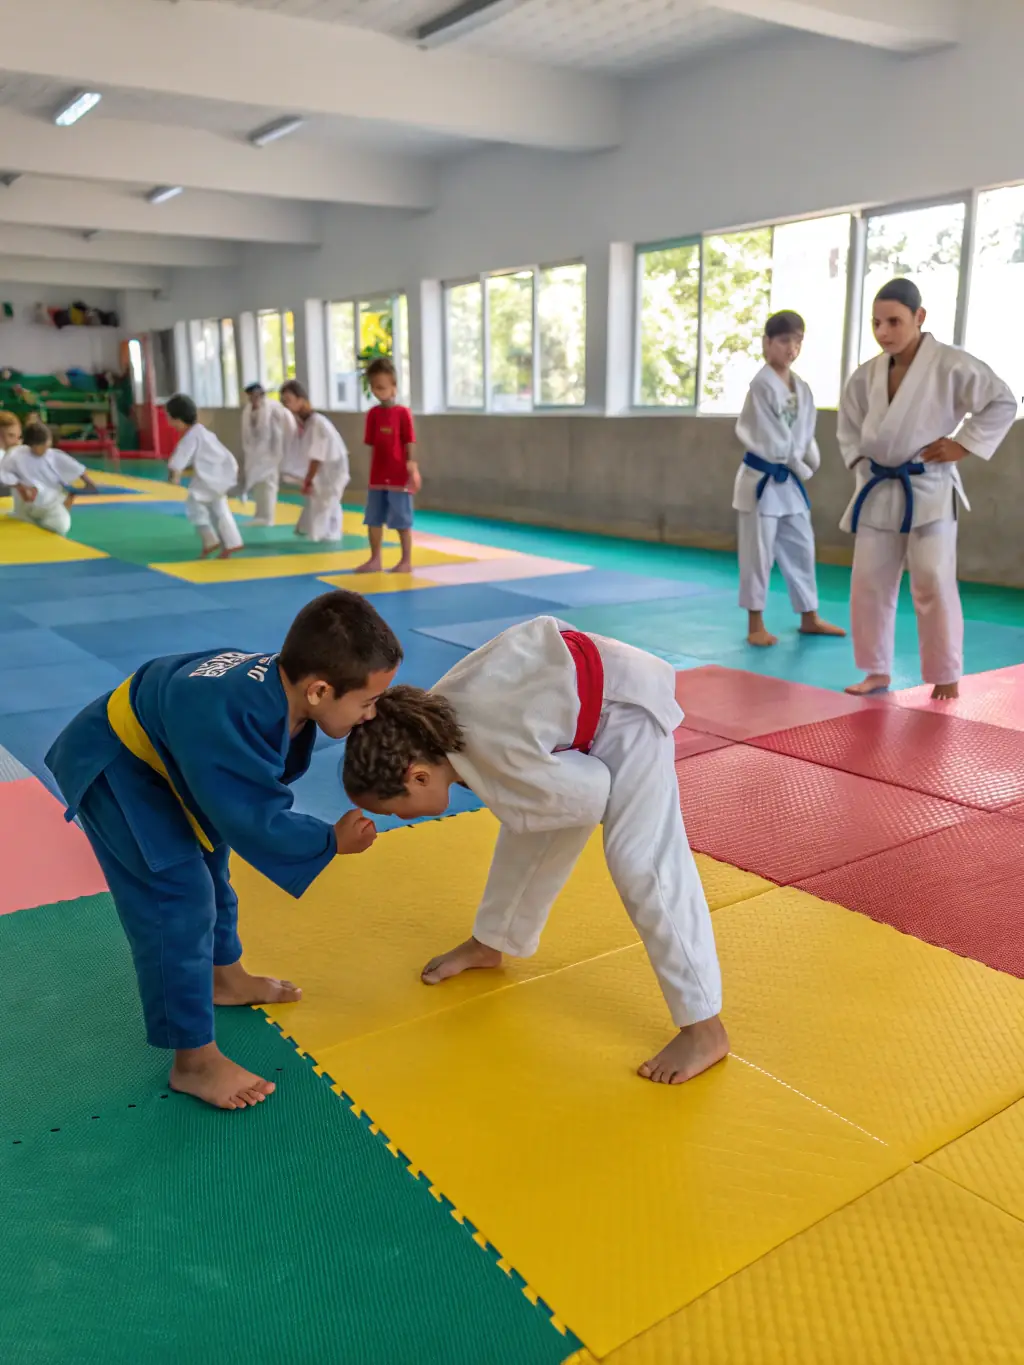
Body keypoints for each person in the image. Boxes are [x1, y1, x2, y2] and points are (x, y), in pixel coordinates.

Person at [45, 591, 400, 1111]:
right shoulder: (234, 712)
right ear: (320, 690)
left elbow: (246, 793)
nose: (371, 715)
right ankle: (194, 1060)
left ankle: (224, 976)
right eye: (368, 702)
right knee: (178, 900)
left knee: (213, 865)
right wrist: (329, 841)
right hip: (118, 768)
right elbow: (254, 814)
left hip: (169, 762)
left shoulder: (283, 692)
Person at [343, 616, 728, 1086]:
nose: (399, 820)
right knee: (527, 813)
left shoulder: (490, 746)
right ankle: (493, 942)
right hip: (583, 697)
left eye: (396, 809)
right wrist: (528, 797)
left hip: (627, 712)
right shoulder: (436, 724)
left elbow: (593, 797)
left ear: (417, 776)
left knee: (639, 860)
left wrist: (530, 796)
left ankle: (704, 1026)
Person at [838, 279, 1016, 700]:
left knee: (933, 580)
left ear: (919, 317)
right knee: (868, 582)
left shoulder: (950, 365)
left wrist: (964, 444)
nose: (883, 332)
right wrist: (862, 463)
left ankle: (946, 673)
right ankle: (876, 670)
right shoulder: (866, 376)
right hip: (879, 487)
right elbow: (848, 427)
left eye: (894, 321)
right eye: (876, 323)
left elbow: (1002, 401)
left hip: (929, 485)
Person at [734, 311, 844, 647]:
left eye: (797, 341)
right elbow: (769, 436)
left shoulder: (803, 388)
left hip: (791, 481)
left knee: (802, 547)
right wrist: (796, 460)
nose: (791, 348)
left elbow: (806, 434)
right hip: (762, 481)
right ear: (767, 343)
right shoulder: (761, 385)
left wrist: (805, 463)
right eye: (784, 341)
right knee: (758, 553)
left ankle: (809, 615)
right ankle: (755, 622)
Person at [356, 357, 421, 575]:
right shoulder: (373, 414)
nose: (378, 391)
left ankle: (406, 560)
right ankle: (375, 558)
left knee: (402, 519)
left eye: (382, 387)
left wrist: (411, 466)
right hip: (378, 476)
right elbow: (373, 444)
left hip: (398, 476)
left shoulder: (403, 413)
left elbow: (408, 440)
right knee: (373, 518)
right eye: (374, 387)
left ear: (394, 387)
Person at [166, 394, 244, 560]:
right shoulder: (203, 432)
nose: (168, 421)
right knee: (218, 507)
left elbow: (181, 457)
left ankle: (209, 539)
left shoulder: (191, 436)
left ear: (177, 419)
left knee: (194, 501)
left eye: (169, 418)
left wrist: (174, 474)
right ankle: (232, 542)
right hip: (223, 472)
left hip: (213, 475)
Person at [279, 380, 350, 544]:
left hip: (333, 469)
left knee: (327, 500)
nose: (286, 405)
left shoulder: (317, 422)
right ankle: (319, 532)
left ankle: (329, 534)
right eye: (284, 401)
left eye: (289, 400)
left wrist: (308, 480)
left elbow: (317, 456)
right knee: (320, 499)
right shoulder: (304, 422)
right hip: (325, 469)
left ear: (301, 399)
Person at [0, 420, 97, 535]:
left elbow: (77, 469)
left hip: (49, 503)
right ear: (31, 444)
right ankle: (25, 517)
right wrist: (21, 487)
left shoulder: (54, 455)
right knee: (24, 524)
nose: (43, 450)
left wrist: (88, 484)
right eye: (40, 447)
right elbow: (4, 473)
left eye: (46, 446)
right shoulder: (16, 454)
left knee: (60, 526)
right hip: (26, 503)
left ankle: (56, 511)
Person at [240, 382, 295, 526]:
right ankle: (259, 514)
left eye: (256, 396)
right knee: (258, 485)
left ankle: (268, 517)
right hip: (255, 454)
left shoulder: (274, 408)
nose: (253, 399)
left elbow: (288, 426)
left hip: (272, 453)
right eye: (251, 396)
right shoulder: (248, 410)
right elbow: (247, 434)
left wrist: (284, 448)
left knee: (269, 485)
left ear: (261, 395)